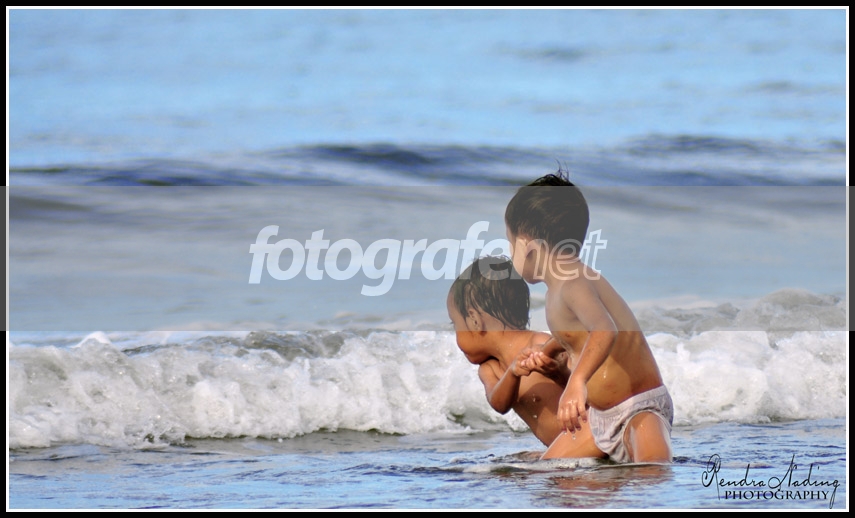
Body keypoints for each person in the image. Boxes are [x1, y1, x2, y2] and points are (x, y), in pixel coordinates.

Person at [504, 171, 673, 463]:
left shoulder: (574, 282)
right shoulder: (557, 291)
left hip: (637, 409)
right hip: (600, 418)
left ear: (527, 244)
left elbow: (605, 330)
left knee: (653, 468)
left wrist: (576, 382)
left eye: (510, 244)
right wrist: (547, 353)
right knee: (548, 469)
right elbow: (574, 336)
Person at [447, 256, 599, 454]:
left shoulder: (539, 344)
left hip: (591, 431)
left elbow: (590, 390)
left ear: (475, 320)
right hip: (566, 446)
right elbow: (499, 404)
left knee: (546, 466)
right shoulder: (490, 369)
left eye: (455, 325)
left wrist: (559, 373)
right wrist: (512, 373)